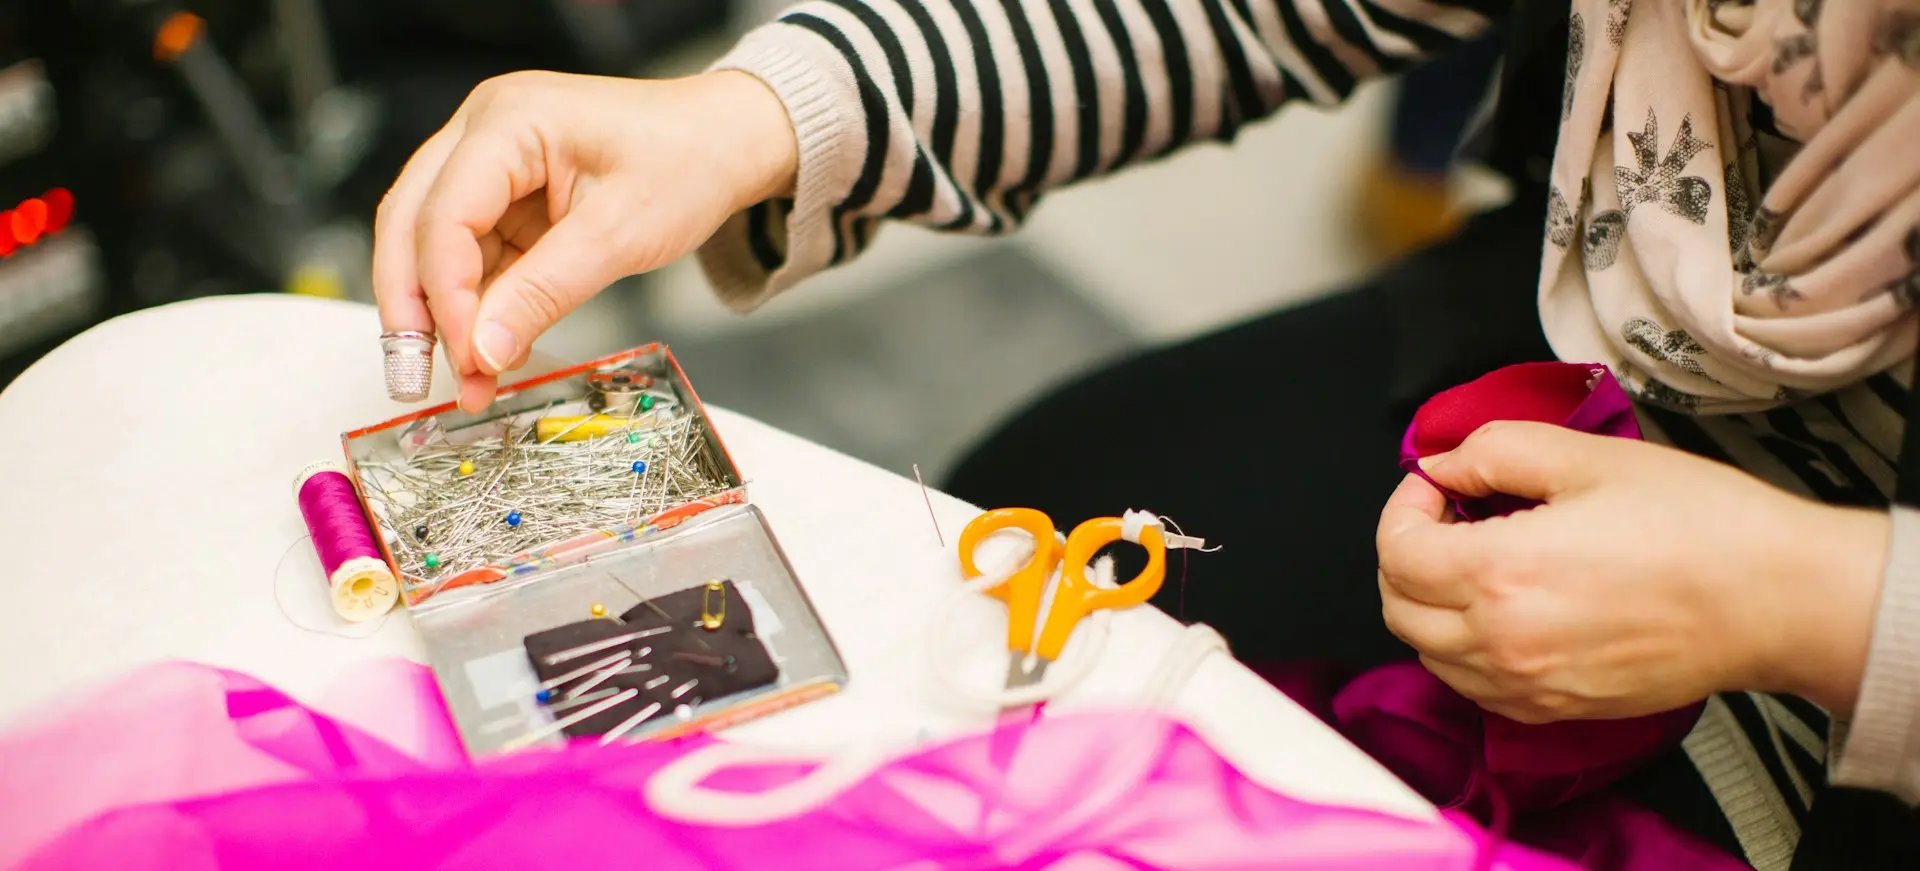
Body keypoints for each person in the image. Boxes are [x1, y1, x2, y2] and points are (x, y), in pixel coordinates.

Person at [370, 1, 1920, 867]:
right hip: (1555, 369)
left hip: (1860, 677)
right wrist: (761, 114)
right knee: (1027, 519)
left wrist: (1819, 602)